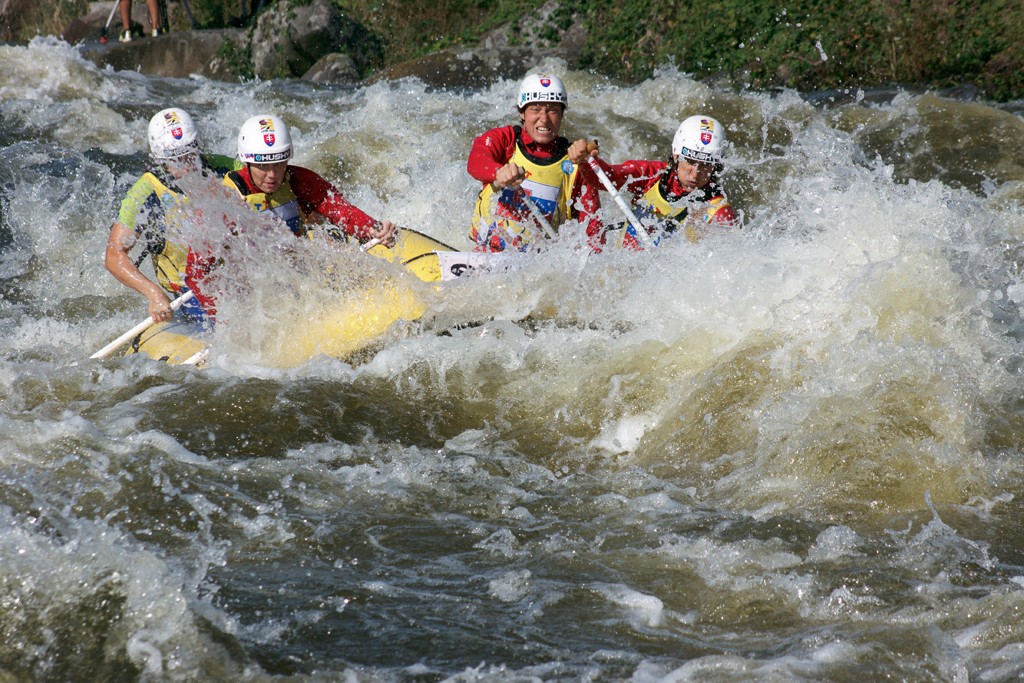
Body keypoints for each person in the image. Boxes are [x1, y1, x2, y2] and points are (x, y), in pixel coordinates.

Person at [184, 114, 397, 316]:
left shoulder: (298, 179)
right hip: (252, 292)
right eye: (263, 165)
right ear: (247, 162)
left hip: (297, 275)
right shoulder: (225, 201)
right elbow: (196, 272)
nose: (272, 175)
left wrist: (373, 228)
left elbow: (343, 212)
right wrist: (222, 317)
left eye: (278, 163)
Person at [104, 107, 238, 322]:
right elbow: (114, 255)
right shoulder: (146, 191)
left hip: (235, 280)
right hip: (186, 295)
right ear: (161, 160)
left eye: (190, 156)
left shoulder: (226, 169)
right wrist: (153, 294)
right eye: (176, 161)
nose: (186, 168)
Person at [466, 73, 602, 252]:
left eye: (552, 110)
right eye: (536, 110)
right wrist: (498, 172)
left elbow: (592, 232)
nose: (544, 119)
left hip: (533, 266)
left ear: (561, 115)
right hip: (483, 250)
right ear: (522, 113)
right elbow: (476, 161)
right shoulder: (506, 139)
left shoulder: (576, 163)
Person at [583, 115, 738, 250]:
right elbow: (605, 178)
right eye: (690, 161)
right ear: (676, 155)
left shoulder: (718, 212)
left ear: (715, 166)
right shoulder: (652, 175)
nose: (696, 174)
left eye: (705, 165)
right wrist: (584, 160)